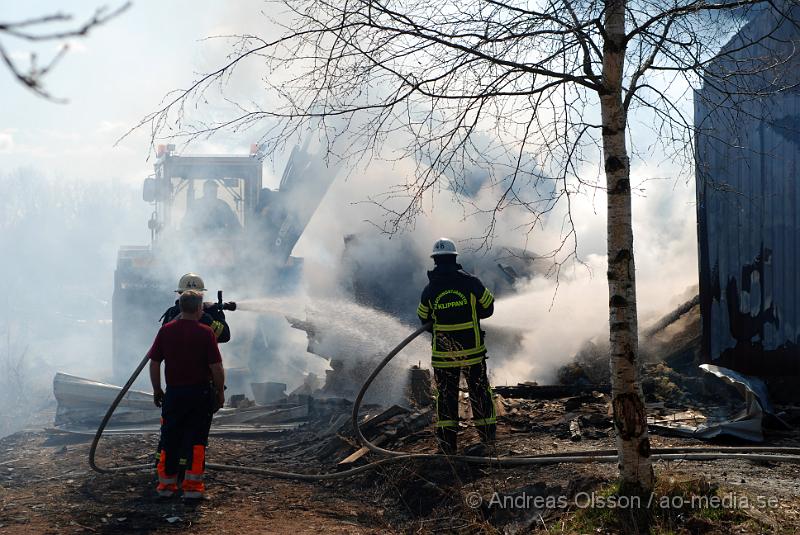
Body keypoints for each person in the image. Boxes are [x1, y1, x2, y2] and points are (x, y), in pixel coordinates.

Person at [417, 237, 496, 456]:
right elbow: (489, 308)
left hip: (444, 357)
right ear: (455, 258)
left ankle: (447, 447)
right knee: (480, 393)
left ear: (435, 261)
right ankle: (488, 441)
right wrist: (471, 312)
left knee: (446, 397)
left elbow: (423, 319)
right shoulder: (471, 282)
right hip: (473, 353)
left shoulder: (430, 289)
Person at [149, 290, 226, 499]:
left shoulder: (166, 331)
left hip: (173, 394)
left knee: (169, 439)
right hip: (199, 394)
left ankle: (166, 486)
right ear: (200, 309)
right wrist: (219, 392)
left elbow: (154, 362)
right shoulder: (206, 332)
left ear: (180, 307)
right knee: (196, 440)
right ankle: (192, 488)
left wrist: (157, 389)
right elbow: (216, 367)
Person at [160, 273, 230, 343]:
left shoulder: (171, 312)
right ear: (200, 295)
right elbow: (224, 336)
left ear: (180, 293)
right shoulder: (202, 316)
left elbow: (162, 339)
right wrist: (215, 314)